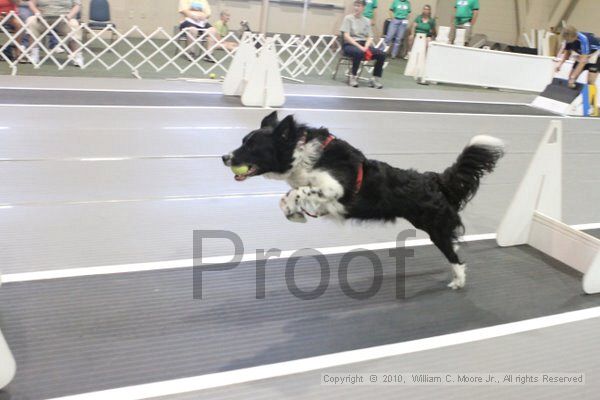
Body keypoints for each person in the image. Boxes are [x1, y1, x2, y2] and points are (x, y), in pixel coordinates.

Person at [341, 0, 386, 88]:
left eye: (359, 6)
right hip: (350, 45)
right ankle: (353, 77)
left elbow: (370, 36)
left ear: (364, 7)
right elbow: (346, 36)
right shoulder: (348, 18)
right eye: (355, 5)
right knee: (358, 52)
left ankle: (375, 79)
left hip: (363, 45)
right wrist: (360, 47)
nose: (356, 8)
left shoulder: (366, 20)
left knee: (382, 54)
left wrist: (366, 46)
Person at [26, 0, 83, 66]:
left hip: (64, 20)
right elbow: (31, 3)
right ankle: (34, 54)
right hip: (43, 19)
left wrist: (69, 16)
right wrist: (37, 13)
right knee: (31, 21)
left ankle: (77, 56)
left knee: (74, 24)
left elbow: (77, 5)